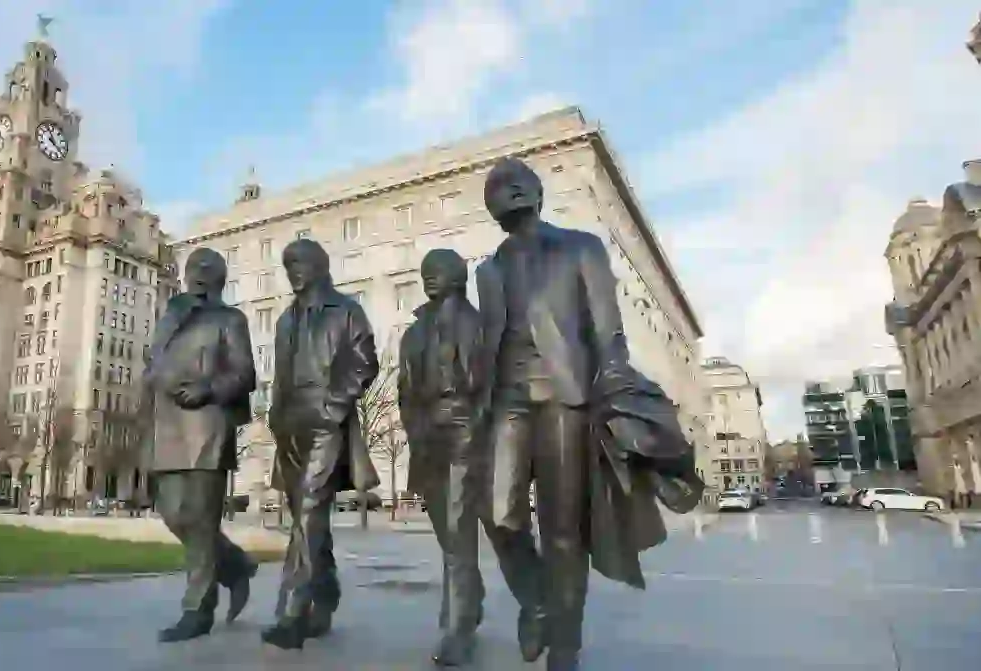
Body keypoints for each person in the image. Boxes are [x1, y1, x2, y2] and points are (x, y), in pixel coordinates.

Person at [475, 157, 700, 671]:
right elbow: (488, 341)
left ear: (536, 191)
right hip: (506, 400)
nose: (507, 190)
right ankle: (536, 601)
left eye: (517, 182)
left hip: (566, 397)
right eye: (495, 187)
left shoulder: (580, 247)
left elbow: (608, 332)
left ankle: (565, 646)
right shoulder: (486, 271)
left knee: (562, 529)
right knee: (497, 512)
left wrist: (616, 397)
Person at [263, 238, 381, 650]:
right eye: (287, 263)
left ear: (321, 264)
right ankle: (326, 593)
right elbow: (279, 374)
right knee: (304, 516)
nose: (294, 269)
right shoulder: (284, 320)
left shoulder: (346, 310)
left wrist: (334, 405)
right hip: (290, 424)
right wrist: (275, 418)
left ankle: (292, 613)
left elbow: (366, 360)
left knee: (309, 513)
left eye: (301, 262)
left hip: (326, 421)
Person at [142, 247, 259, 643]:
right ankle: (236, 566)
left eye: (209, 268)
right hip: (168, 423)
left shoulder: (231, 319)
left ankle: (198, 609)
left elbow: (245, 374)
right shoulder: (170, 317)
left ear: (221, 278)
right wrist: (161, 380)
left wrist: (209, 388)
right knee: (175, 514)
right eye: (194, 267)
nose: (200, 274)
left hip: (209, 423)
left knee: (202, 518)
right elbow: (153, 362)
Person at [398, 248, 487, 666]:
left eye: (439, 270)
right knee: (445, 528)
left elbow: (489, 385)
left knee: (457, 528)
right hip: (426, 433)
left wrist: (480, 431)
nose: (430, 277)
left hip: (465, 428)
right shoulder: (414, 332)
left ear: (458, 274)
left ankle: (458, 625)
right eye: (425, 271)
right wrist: (413, 429)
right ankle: (473, 595)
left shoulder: (477, 323)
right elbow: (404, 389)